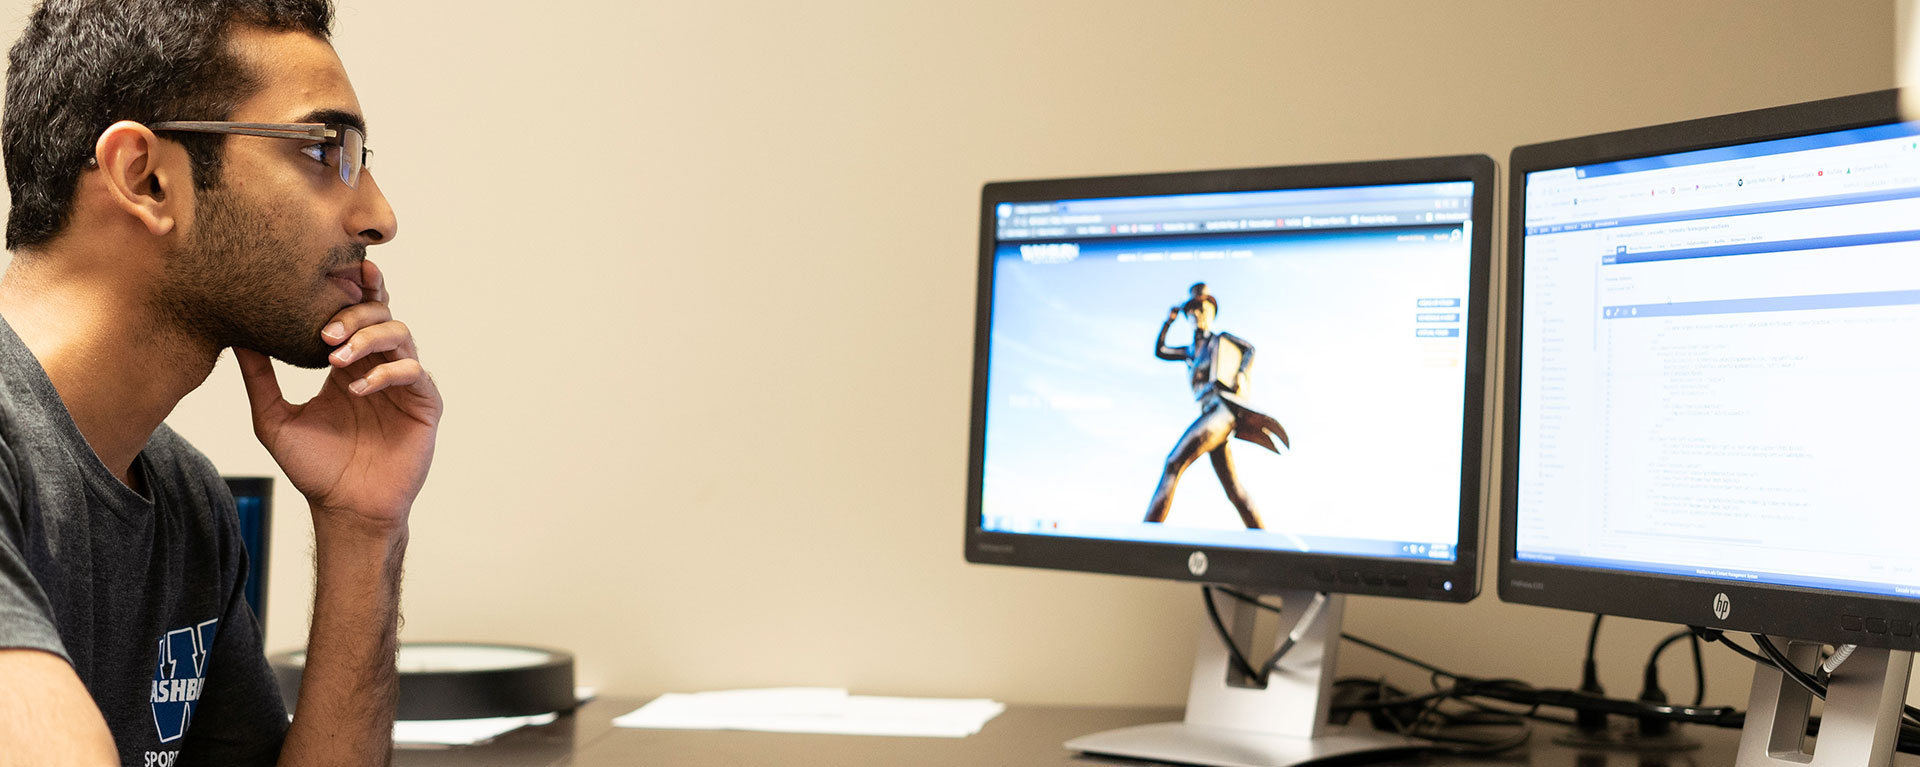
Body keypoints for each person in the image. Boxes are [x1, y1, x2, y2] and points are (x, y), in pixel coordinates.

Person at [0, 1, 439, 764]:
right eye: (324, 149)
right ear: (147, 177)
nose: (379, 217)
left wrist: (363, 532)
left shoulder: (187, 502)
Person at [1145, 283, 1287, 529]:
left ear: (1211, 312)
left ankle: (1143, 539)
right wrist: (1168, 322)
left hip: (1222, 409)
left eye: (1202, 309)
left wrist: (1241, 374)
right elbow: (1161, 350)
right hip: (1208, 412)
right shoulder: (1190, 351)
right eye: (1192, 311)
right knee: (1234, 490)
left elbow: (1249, 350)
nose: (1197, 315)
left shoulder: (1221, 341)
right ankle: (1265, 539)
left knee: (1173, 464)